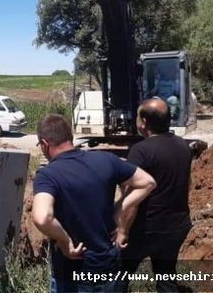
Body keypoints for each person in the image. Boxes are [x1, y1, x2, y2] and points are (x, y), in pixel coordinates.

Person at [32, 114, 156, 293]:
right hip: (108, 267)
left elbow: (42, 218)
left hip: (73, 274)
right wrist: (119, 209)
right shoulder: (106, 159)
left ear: (44, 144)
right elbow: (148, 182)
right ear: (70, 138)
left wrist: (64, 240)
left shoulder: (48, 175)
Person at [119, 98, 193, 293]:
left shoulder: (141, 151)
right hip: (176, 227)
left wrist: (123, 231)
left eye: (137, 117)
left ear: (143, 122)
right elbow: (186, 184)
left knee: (119, 276)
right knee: (166, 276)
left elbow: (132, 198)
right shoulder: (182, 146)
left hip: (145, 229)